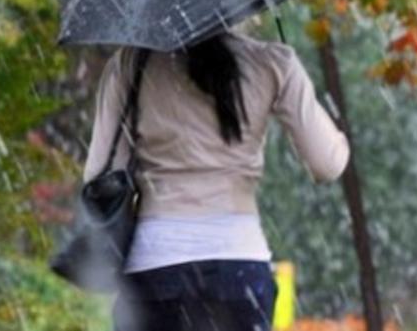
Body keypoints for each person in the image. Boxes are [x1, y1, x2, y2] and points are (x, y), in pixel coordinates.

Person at [83, 32, 350, 331]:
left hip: (156, 267)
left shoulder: (131, 63)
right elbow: (327, 164)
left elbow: (99, 175)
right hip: (239, 269)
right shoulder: (272, 62)